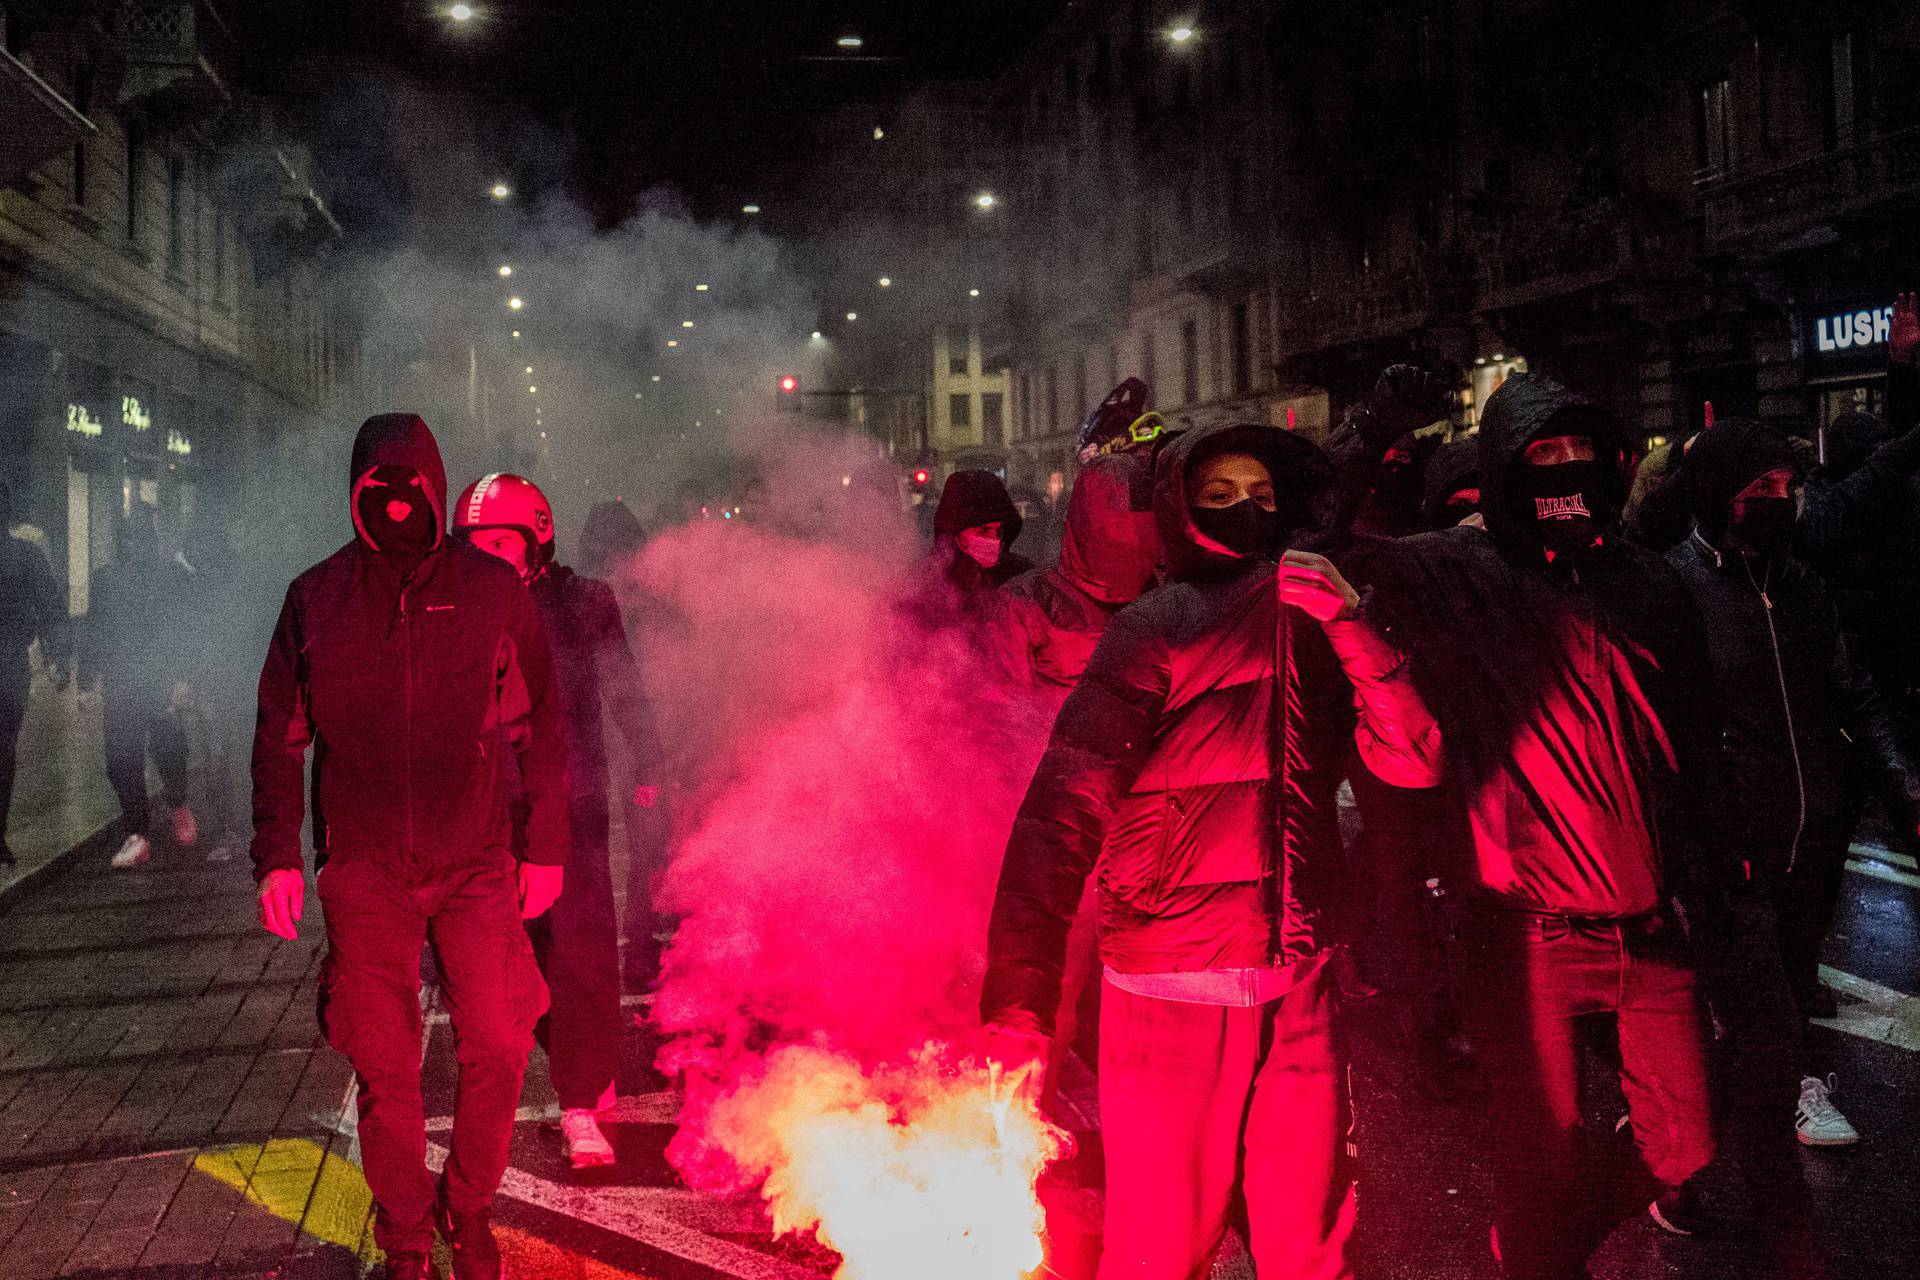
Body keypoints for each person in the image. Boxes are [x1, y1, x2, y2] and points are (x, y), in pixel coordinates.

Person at [982, 421, 1444, 1280]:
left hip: (1298, 981)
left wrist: (1351, 624)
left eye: (1263, 497)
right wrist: (1021, 995)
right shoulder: (1154, 627)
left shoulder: (1323, 615)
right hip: (1169, 984)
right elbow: (1063, 809)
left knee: (1311, 1244)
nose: (1244, 513)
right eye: (1220, 496)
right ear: (1181, 511)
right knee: (1161, 1250)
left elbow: (1415, 760)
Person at [1349, 372, 1722, 1277]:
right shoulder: (1461, 573)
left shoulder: (1647, 583)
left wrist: (1709, 878)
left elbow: (1694, 742)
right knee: (1539, 1157)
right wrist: (1375, 434)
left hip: (1647, 921)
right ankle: (1538, 1252)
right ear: (1508, 467)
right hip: (1528, 935)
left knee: (1685, 1144)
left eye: (1579, 451)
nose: (1564, 469)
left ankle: (1535, 1245)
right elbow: (1329, 540)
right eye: (1541, 454)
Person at [251, 415, 569, 1280]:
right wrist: (277, 854)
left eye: (410, 489)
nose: (395, 506)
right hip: (364, 868)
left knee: (501, 1039)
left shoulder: (492, 590)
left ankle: (465, 1211)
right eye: (375, 491)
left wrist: (545, 845)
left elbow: (540, 724)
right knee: (384, 1062)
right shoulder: (315, 597)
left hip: (474, 861)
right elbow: (280, 734)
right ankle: (402, 1236)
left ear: (434, 486)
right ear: (356, 493)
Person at [1669, 418, 1920, 1145]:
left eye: (1788, 486)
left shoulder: (1804, 584)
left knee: (1791, 971)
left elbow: (1853, 691)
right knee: (1748, 994)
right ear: (1719, 495)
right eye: (1760, 489)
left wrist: (1904, 785)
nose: (1780, 501)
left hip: (1809, 826)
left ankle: (1764, 1093)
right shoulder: (1676, 588)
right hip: (1729, 837)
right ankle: (1718, 1117)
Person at [453, 472, 666, 1170]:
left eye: (501, 544)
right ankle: (578, 1061)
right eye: (475, 547)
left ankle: (578, 1103)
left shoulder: (583, 602)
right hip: (487, 818)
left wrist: (647, 766)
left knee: (579, 956)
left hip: (572, 811)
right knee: (512, 968)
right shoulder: (455, 608)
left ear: (537, 538)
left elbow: (623, 685)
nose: (490, 560)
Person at [83, 505, 196, 869]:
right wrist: (87, 679)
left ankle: (177, 804)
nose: (134, 543)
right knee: (122, 758)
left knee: (168, 749)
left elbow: (181, 629)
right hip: (122, 680)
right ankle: (137, 832)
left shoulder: (167, 578)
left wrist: (181, 677)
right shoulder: (108, 579)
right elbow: (96, 630)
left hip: (156, 677)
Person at [0, 479, 70, 867]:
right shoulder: (25, 555)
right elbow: (52, 608)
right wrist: (59, 656)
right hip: (9, 664)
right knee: (3, 750)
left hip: (9, 662)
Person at [917, 470, 1032, 622]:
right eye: (983, 530)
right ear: (956, 532)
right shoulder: (926, 585)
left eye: (998, 530)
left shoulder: (1022, 579)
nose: (994, 539)